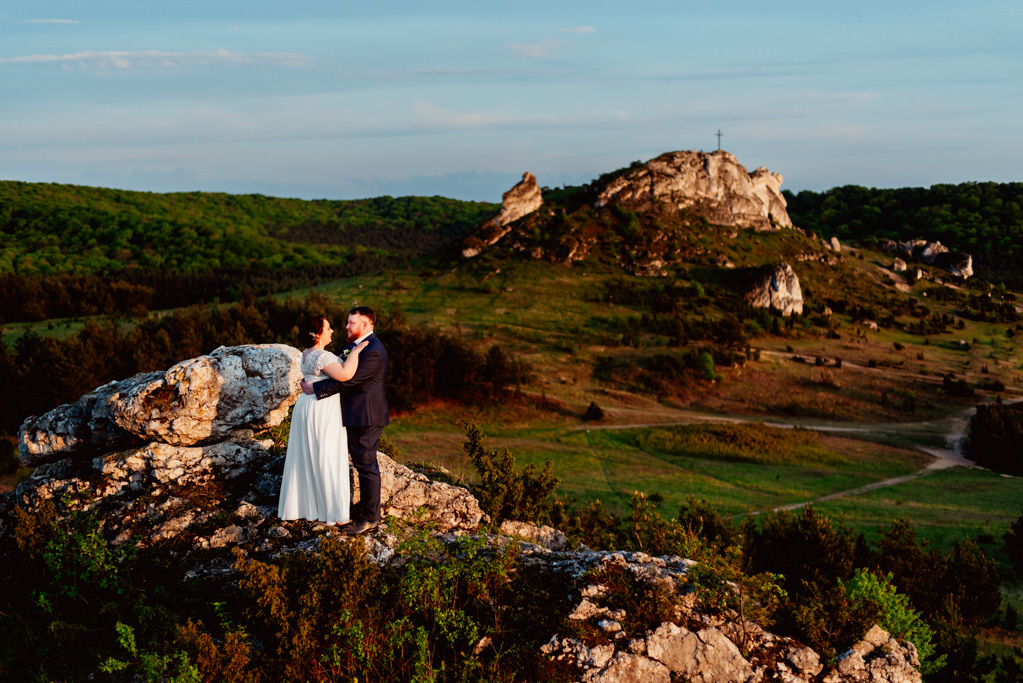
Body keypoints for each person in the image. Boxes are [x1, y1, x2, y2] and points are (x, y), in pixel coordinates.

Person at [300, 306, 388, 536]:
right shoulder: (358, 346)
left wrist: (315, 388)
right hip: (354, 414)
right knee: (361, 462)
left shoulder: (373, 351)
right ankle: (365, 509)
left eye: (351, 323)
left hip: (366, 416)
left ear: (365, 325)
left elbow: (350, 381)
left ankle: (370, 518)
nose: (346, 326)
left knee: (366, 465)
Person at [278, 314, 368, 524]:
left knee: (308, 455)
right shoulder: (322, 356)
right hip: (322, 409)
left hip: (307, 406)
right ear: (318, 334)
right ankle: (333, 513)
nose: (332, 331)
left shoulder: (307, 353)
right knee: (326, 455)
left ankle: (306, 506)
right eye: (328, 328)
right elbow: (345, 375)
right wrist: (355, 352)